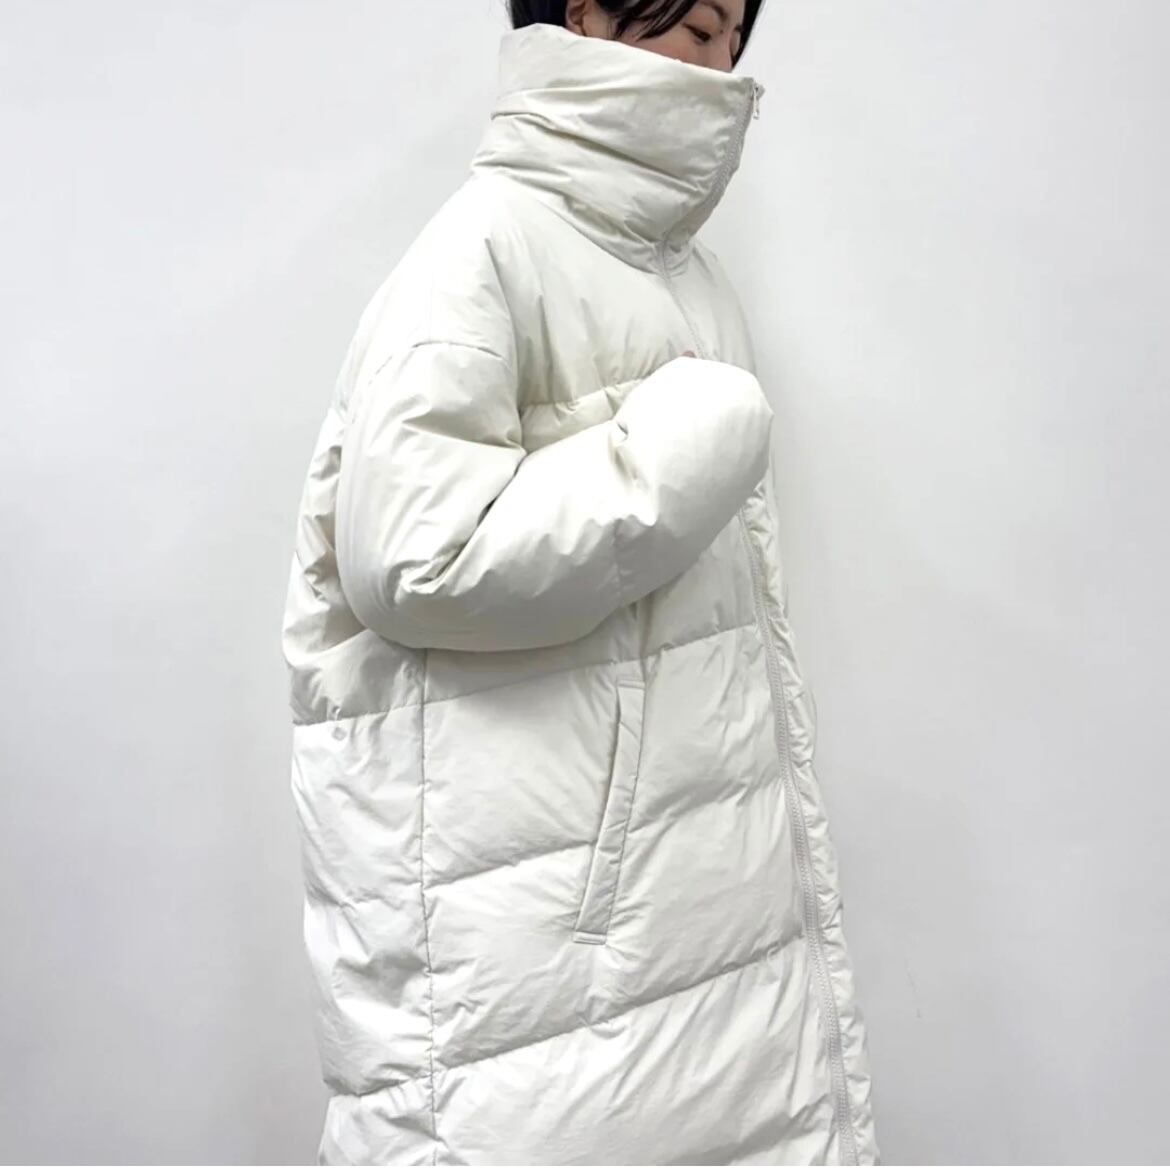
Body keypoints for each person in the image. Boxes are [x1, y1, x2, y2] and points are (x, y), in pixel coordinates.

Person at [280, 0, 879, 1164]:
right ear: (589, 10)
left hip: (697, 902)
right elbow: (413, 557)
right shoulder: (481, 251)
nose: (719, 66)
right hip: (543, 954)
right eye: (694, 26)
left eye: (732, 36)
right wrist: (675, 452)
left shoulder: (690, 279)